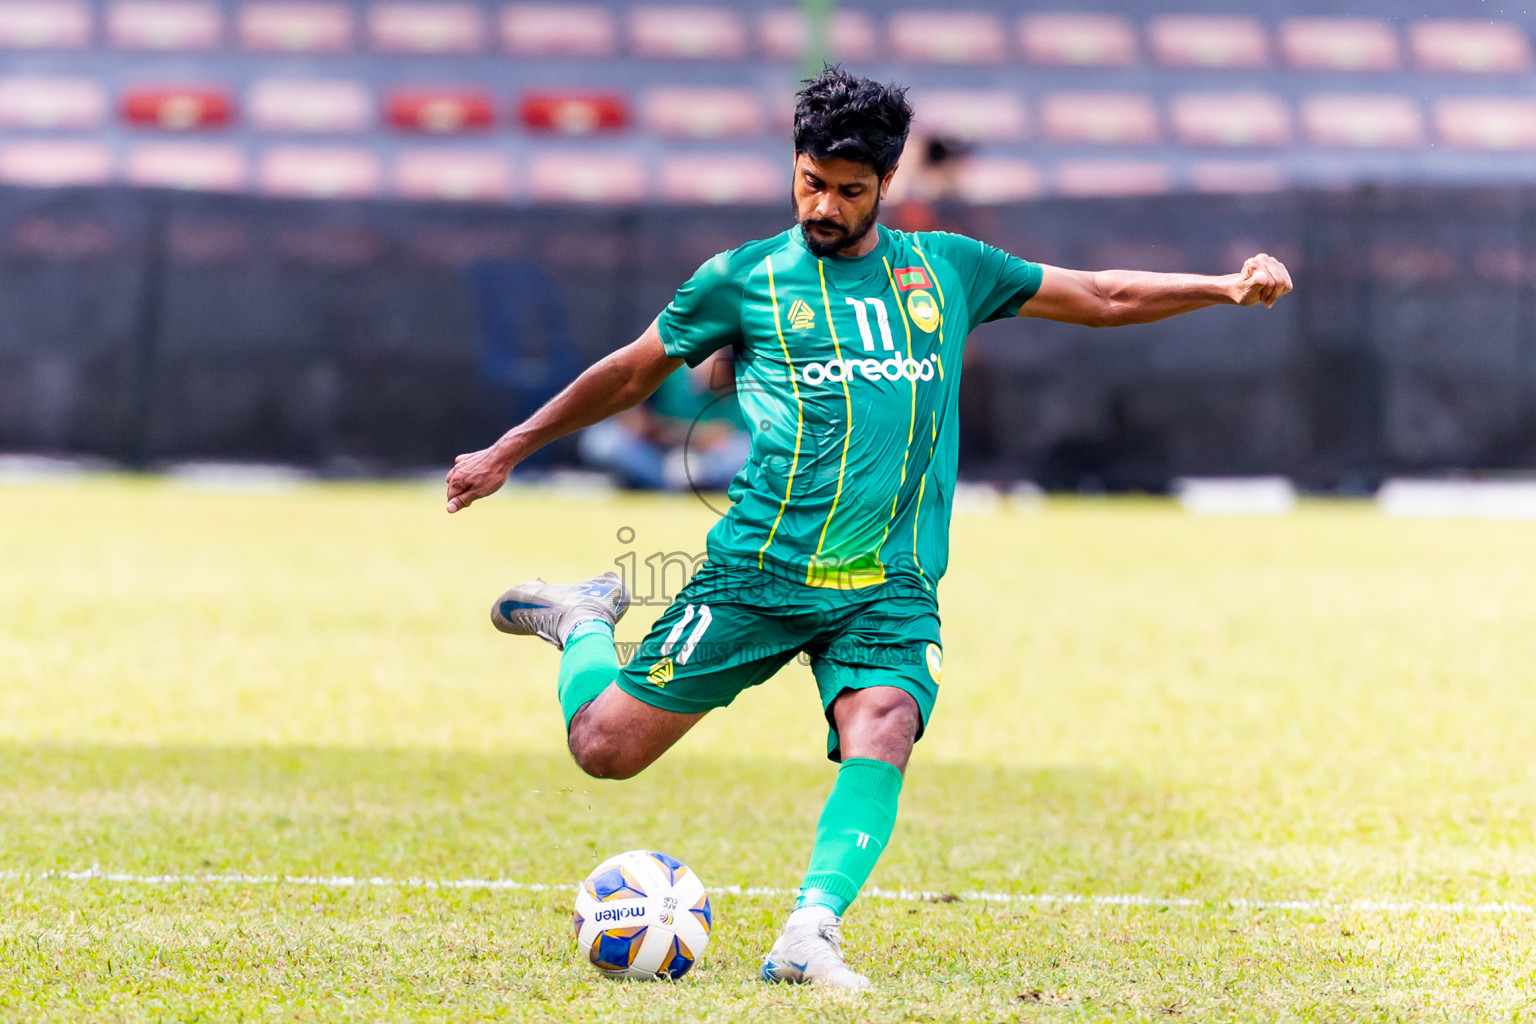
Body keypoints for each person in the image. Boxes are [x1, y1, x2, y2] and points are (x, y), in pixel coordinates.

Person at [444, 66, 1292, 989]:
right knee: (604, 751)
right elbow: (631, 372)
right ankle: (582, 624)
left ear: (886, 186)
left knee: (884, 721)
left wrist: (1222, 286)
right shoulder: (746, 277)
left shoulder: (947, 270)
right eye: (812, 182)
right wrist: (509, 449)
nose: (825, 205)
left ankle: (809, 933)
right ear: (794, 167)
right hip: (760, 570)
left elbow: (1101, 296)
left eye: (849, 192)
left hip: (890, 583)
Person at [577, 348, 748, 491]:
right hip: (660, 458)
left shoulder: (743, 383)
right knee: (602, 440)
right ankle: (667, 484)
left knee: (746, 450)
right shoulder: (671, 373)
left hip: (709, 462)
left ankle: (694, 483)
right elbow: (643, 422)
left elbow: (728, 437)